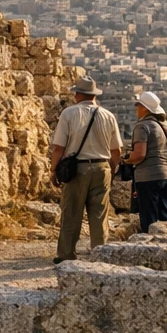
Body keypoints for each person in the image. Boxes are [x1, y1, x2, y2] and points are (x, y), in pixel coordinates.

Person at [48, 77, 122, 263]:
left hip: (77, 169)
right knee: (99, 214)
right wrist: (111, 169)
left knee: (72, 212)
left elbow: (59, 148)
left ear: (78, 94)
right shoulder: (108, 115)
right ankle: (100, 254)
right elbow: (116, 150)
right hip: (102, 167)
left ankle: (66, 254)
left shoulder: (69, 114)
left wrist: (54, 170)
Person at [127, 91, 167, 233]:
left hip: (149, 176)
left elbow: (139, 154)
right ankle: (165, 241)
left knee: (149, 216)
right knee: (163, 214)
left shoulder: (143, 126)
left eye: (138, 105)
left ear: (145, 108)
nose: (136, 108)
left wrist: (126, 159)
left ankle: (149, 244)